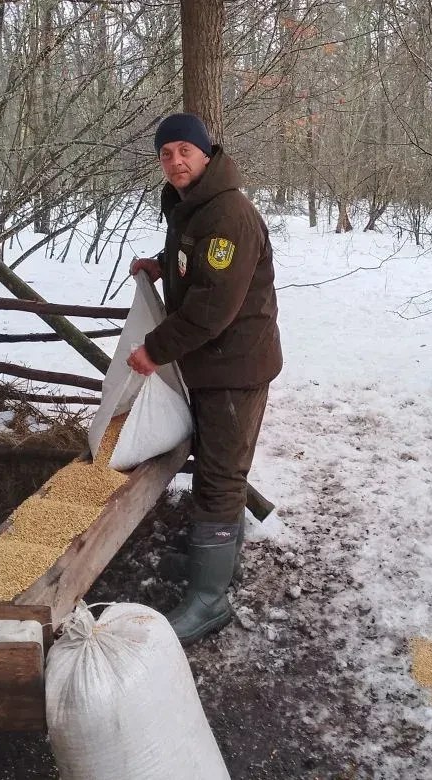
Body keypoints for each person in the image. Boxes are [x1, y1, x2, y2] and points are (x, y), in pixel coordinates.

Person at [127, 112, 283, 645]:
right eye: (166, 153)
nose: (175, 161)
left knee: (219, 473)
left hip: (234, 366)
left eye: (185, 151)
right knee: (220, 463)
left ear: (206, 152)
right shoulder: (195, 206)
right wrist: (161, 265)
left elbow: (213, 305)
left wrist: (155, 350)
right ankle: (216, 561)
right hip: (215, 362)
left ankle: (209, 599)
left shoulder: (228, 214)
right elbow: (196, 266)